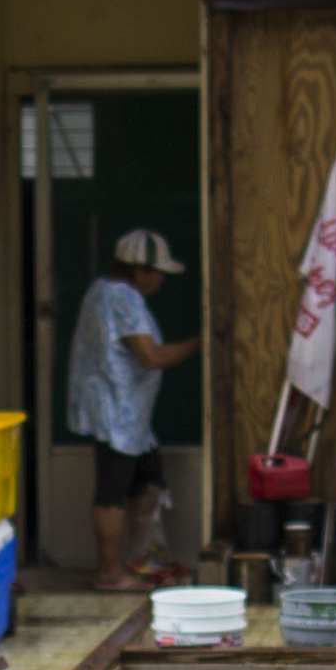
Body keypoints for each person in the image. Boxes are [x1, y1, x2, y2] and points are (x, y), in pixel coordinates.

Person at [67, 227, 203, 593]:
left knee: (150, 482)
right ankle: (110, 573)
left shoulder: (102, 290)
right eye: (157, 272)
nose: (160, 280)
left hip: (128, 414)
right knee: (112, 492)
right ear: (139, 270)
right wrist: (203, 341)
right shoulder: (122, 297)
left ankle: (141, 559)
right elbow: (150, 355)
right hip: (118, 412)